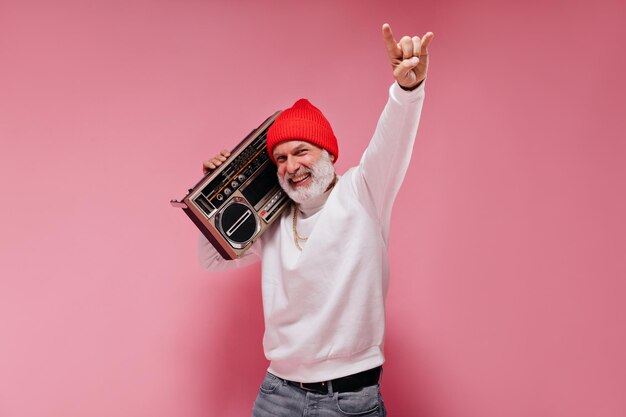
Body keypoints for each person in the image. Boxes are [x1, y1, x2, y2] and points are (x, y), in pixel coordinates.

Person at [199, 23, 433, 417]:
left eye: (301, 151)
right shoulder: (271, 221)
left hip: (349, 400)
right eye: (281, 159)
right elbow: (211, 258)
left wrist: (407, 91)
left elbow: (392, 139)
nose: (292, 166)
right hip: (278, 395)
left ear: (328, 154)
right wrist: (215, 193)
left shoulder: (363, 193)